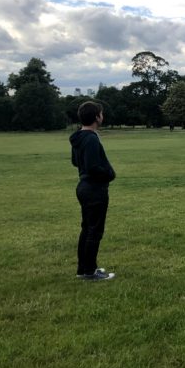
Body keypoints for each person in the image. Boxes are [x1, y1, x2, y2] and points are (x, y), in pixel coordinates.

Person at [69, 101, 116, 281]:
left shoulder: (79, 137)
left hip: (84, 187)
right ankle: (90, 271)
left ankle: (84, 268)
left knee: (87, 229)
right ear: (97, 117)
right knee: (94, 231)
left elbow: (76, 162)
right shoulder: (90, 138)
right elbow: (93, 166)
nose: (102, 116)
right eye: (101, 114)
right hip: (94, 189)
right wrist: (110, 174)